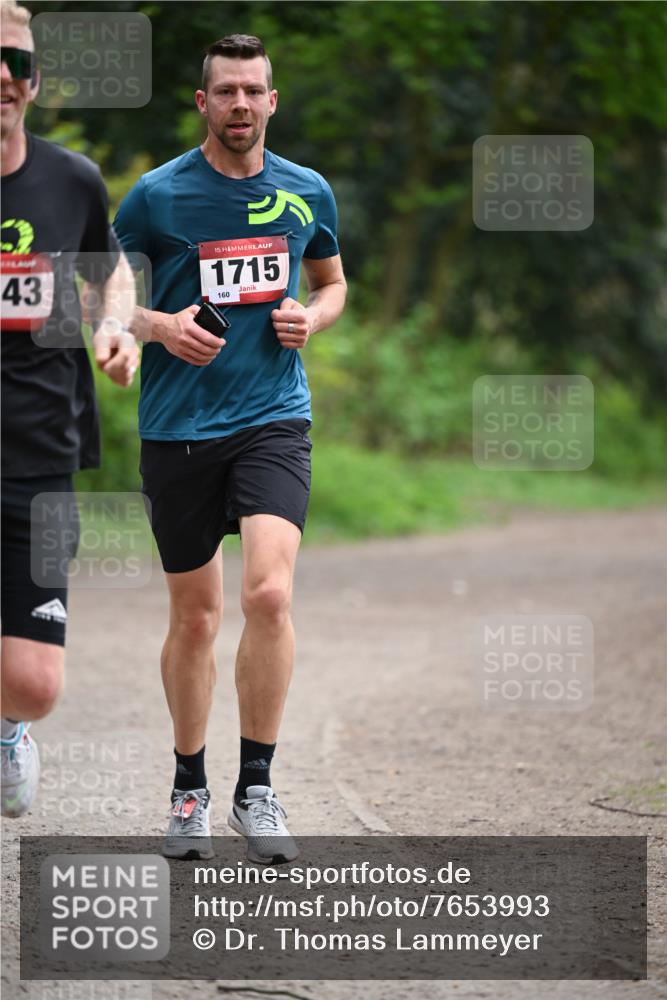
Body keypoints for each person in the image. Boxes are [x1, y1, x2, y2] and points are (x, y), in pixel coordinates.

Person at [114, 33, 346, 862]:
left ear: (272, 102)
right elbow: (95, 291)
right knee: (196, 614)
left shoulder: (306, 190)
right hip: (177, 430)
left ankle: (257, 788)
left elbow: (331, 281)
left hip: (272, 417)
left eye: (254, 91)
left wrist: (310, 320)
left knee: (269, 596)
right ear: (203, 103)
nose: (241, 105)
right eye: (227, 92)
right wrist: (157, 326)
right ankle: (188, 787)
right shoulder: (156, 197)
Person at [0, 0, 139, 818]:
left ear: (35, 80)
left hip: (40, 454)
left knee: (35, 685)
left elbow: (108, 274)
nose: (1, 78)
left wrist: (116, 325)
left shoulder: (71, 178)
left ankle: (10, 731)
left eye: (14, 61)